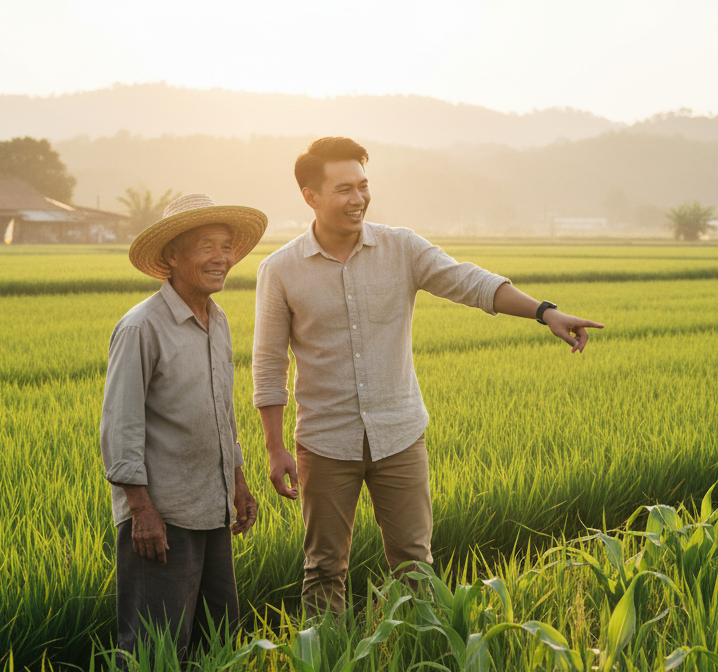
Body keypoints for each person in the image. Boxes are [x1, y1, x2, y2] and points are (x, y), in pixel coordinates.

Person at [252, 137, 606, 613]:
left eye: (363, 186)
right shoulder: (280, 269)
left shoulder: (401, 247)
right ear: (310, 196)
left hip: (399, 435)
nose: (358, 199)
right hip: (324, 441)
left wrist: (544, 312)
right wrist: (275, 448)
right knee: (323, 569)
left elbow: (470, 282)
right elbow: (269, 363)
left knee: (415, 566)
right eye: (343, 189)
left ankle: (419, 655)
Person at [99, 193, 267, 662]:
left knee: (218, 637)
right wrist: (141, 511)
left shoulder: (218, 320)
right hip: (163, 515)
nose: (223, 258)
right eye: (207, 245)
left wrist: (237, 481)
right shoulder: (142, 327)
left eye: (228, 246)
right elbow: (120, 425)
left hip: (211, 505)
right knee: (155, 648)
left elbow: (221, 412)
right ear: (171, 255)